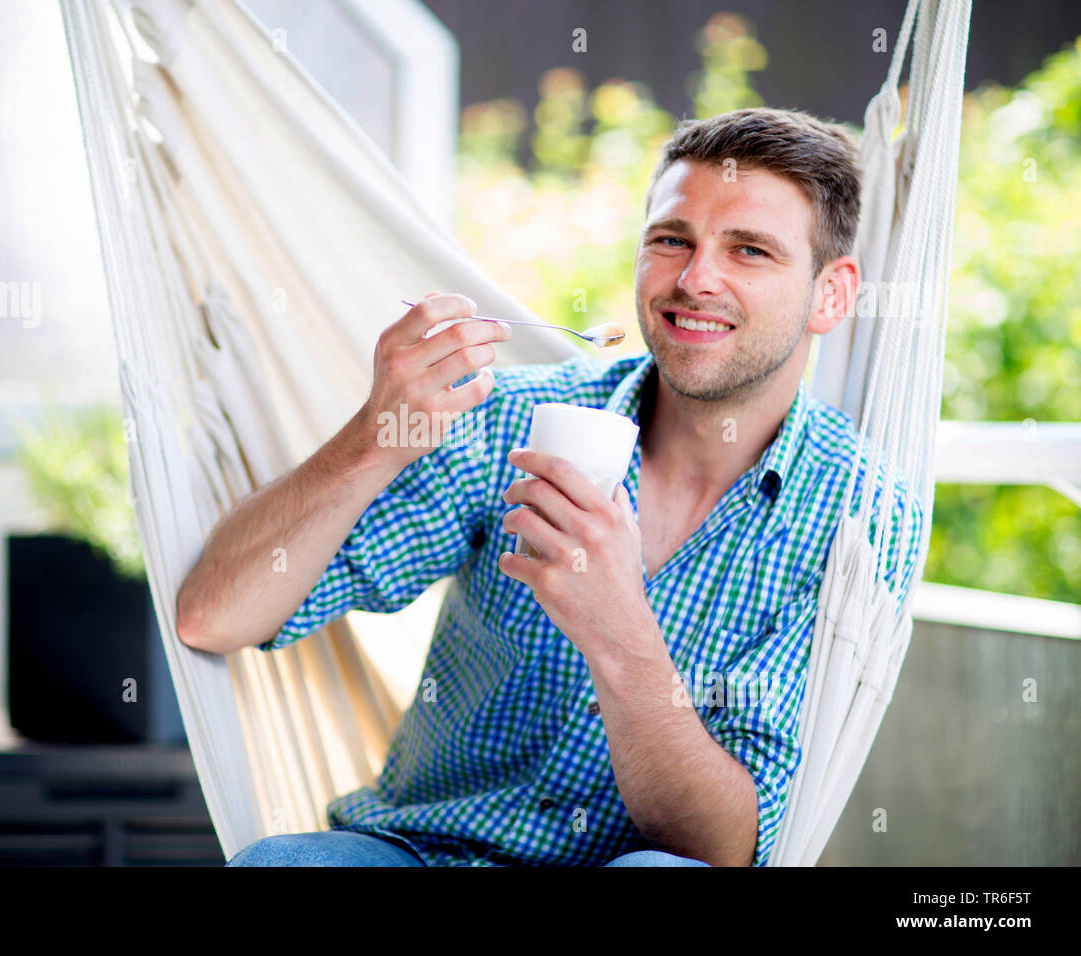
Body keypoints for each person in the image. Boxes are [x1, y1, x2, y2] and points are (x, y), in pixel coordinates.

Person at [176, 107, 922, 867]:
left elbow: (729, 848)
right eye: (672, 240)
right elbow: (212, 615)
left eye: (750, 250)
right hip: (424, 852)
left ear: (831, 294)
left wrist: (618, 630)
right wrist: (373, 437)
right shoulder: (511, 420)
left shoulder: (860, 516)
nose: (697, 279)